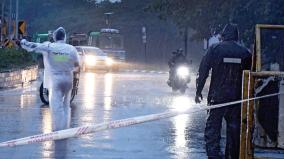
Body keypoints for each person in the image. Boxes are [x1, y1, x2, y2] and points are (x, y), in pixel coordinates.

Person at [195, 23, 251, 159]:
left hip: (217, 98)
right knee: (234, 132)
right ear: (237, 36)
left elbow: (203, 72)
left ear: (223, 36)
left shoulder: (214, 49)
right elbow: (251, 77)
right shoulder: (245, 53)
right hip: (238, 99)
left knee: (212, 131)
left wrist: (198, 91)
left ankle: (214, 156)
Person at [21, 27, 80, 131]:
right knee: (66, 105)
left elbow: (33, 46)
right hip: (68, 79)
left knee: (56, 106)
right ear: (64, 37)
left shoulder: (49, 46)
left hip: (56, 80)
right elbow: (77, 65)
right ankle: (65, 128)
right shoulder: (72, 49)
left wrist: (22, 42)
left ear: (55, 37)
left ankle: (58, 129)